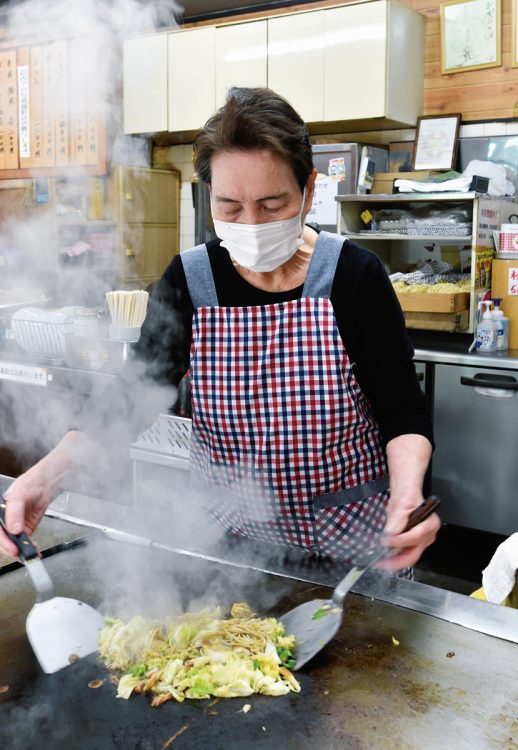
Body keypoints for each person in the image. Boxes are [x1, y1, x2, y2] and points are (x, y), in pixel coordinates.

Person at [0, 87, 439, 571]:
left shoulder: (356, 277)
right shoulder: (189, 281)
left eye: (272, 205)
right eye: (229, 206)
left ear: (309, 190)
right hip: (228, 551)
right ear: (210, 193)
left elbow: (402, 409)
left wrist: (407, 496)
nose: (250, 223)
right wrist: (43, 478)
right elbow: (130, 400)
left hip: (353, 546)